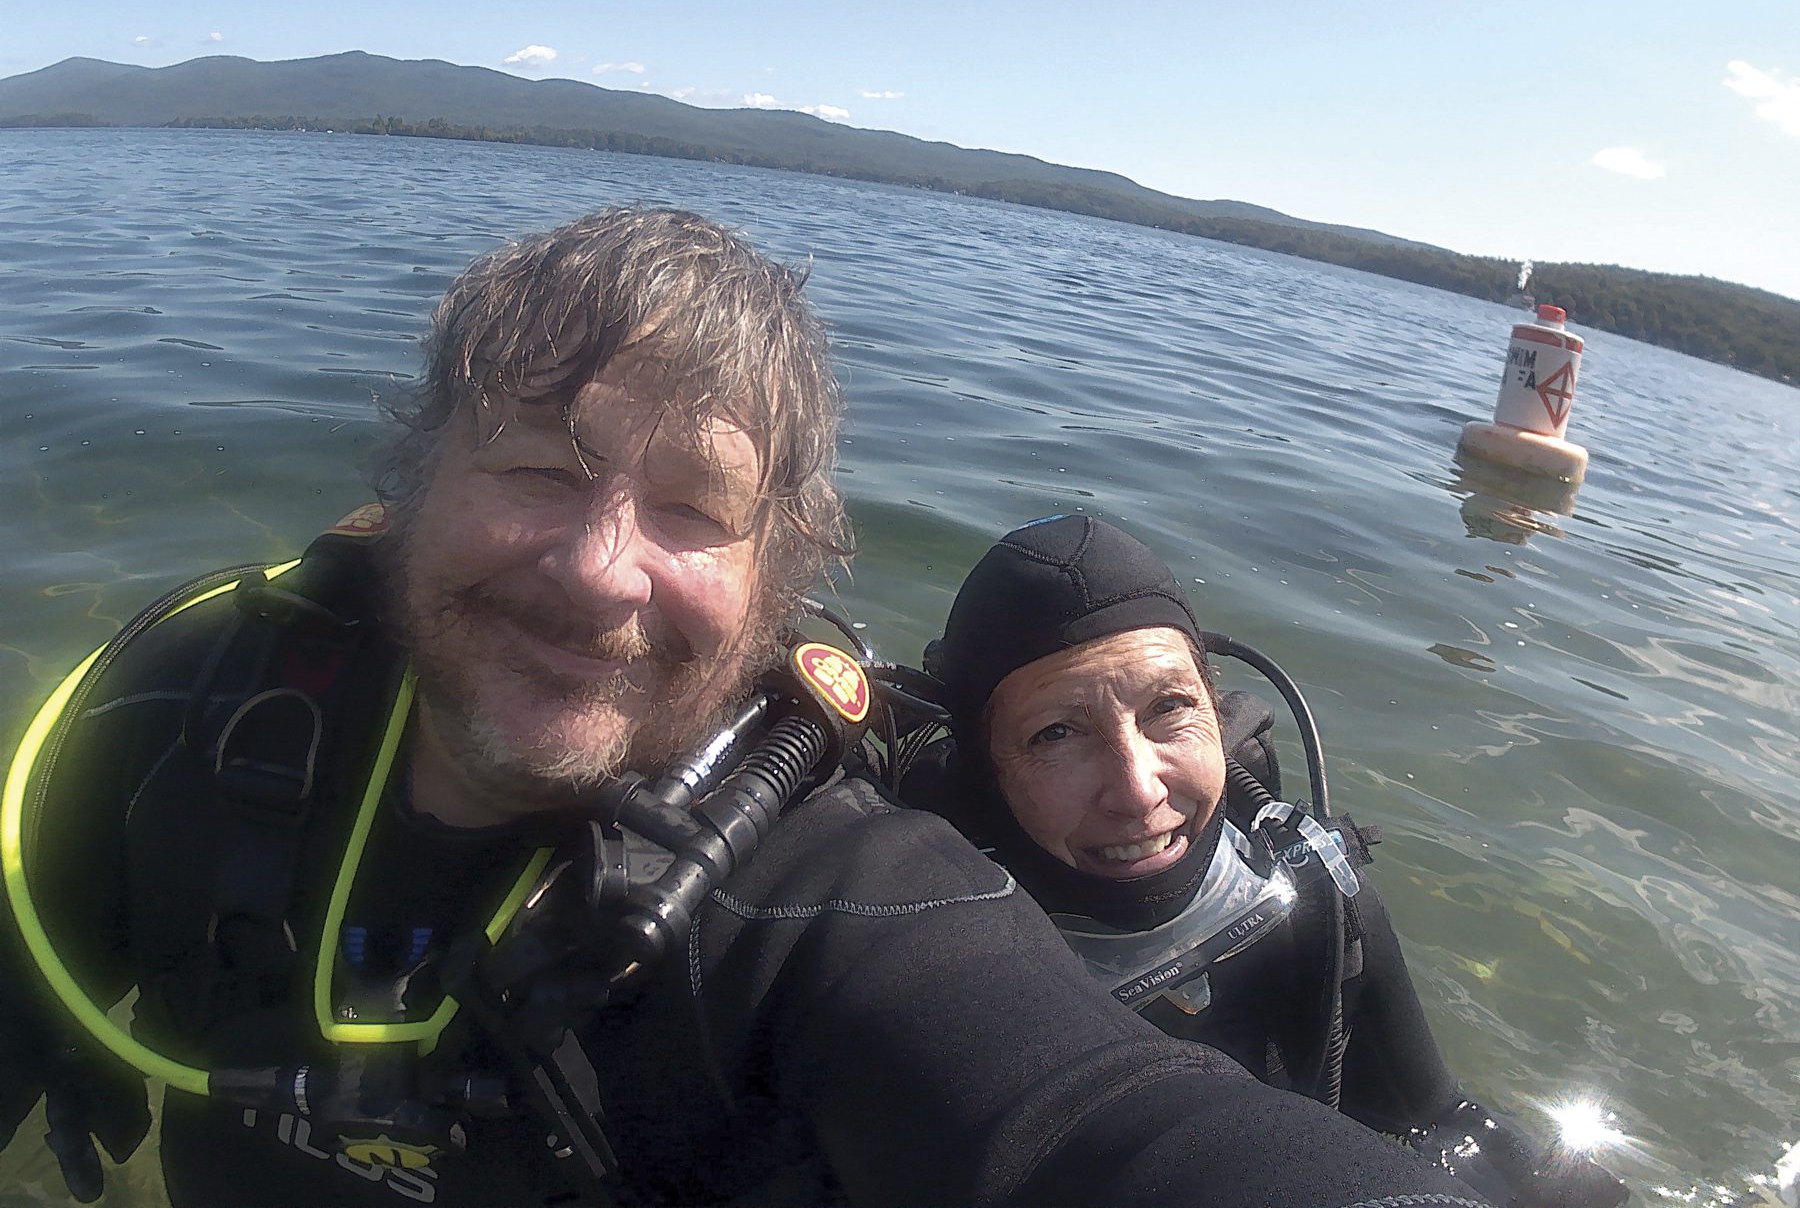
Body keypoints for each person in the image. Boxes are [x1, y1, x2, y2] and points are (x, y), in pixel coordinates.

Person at [1, 209, 1491, 1208]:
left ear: (778, 586)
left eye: (692, 509)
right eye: (535, 466)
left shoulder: (827, 889)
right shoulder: (184, 708)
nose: (598, 573)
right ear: (411, 481)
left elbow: (1099, 1122)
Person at [904, 514, 1629, 1208]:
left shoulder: (1311, 904)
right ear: (986, 767)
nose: (1136, 788)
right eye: (1057, 732)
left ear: (1215, 712)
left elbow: (1442, 1120)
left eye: (1168, 708)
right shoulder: (919, 968)